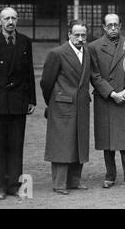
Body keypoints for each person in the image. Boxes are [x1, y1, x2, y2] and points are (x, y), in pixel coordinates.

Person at [0, 7, 36, 200]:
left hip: (19, 101)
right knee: (0, 145)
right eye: (6, 18)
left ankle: (13, 185)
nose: (10, 21)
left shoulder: (25, 42)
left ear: (17, 21)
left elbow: (29, 73)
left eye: (13, 18)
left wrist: (32, 100)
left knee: (16, 145)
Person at [88, 14, 125, 192]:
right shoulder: (94, 47)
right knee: (108, 140)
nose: (113, 28)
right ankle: (110, 175)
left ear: (120, 26)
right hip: (106, 99)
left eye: (116, 25)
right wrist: (112, 93)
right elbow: (94, 75)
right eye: (109, 25)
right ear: (104, 27)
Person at [40, 20, 94, 195]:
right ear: (69, 34)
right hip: (62, 105)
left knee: (79, 142)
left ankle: (75, 180)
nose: (80, 38)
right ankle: (60, 183)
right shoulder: (57, 53)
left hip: (82, 105)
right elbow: (46, 82)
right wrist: (54, 102)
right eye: (76, 35)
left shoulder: (87, 53)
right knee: (62, 144)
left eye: (83, 35)